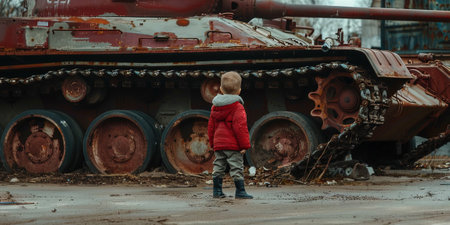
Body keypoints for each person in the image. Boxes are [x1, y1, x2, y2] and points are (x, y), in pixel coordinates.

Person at [207, 71, 253, 199]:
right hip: (233, 145)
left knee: (218, 166)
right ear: (239, 91)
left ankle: (217, 191)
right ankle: (240, 191)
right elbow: (240, 128)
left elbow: (211, 127)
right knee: (236, 167)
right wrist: (244, 145)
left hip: (219, 144)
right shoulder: (237, 107)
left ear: (221, 89)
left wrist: (212, 143)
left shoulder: (214, 106)